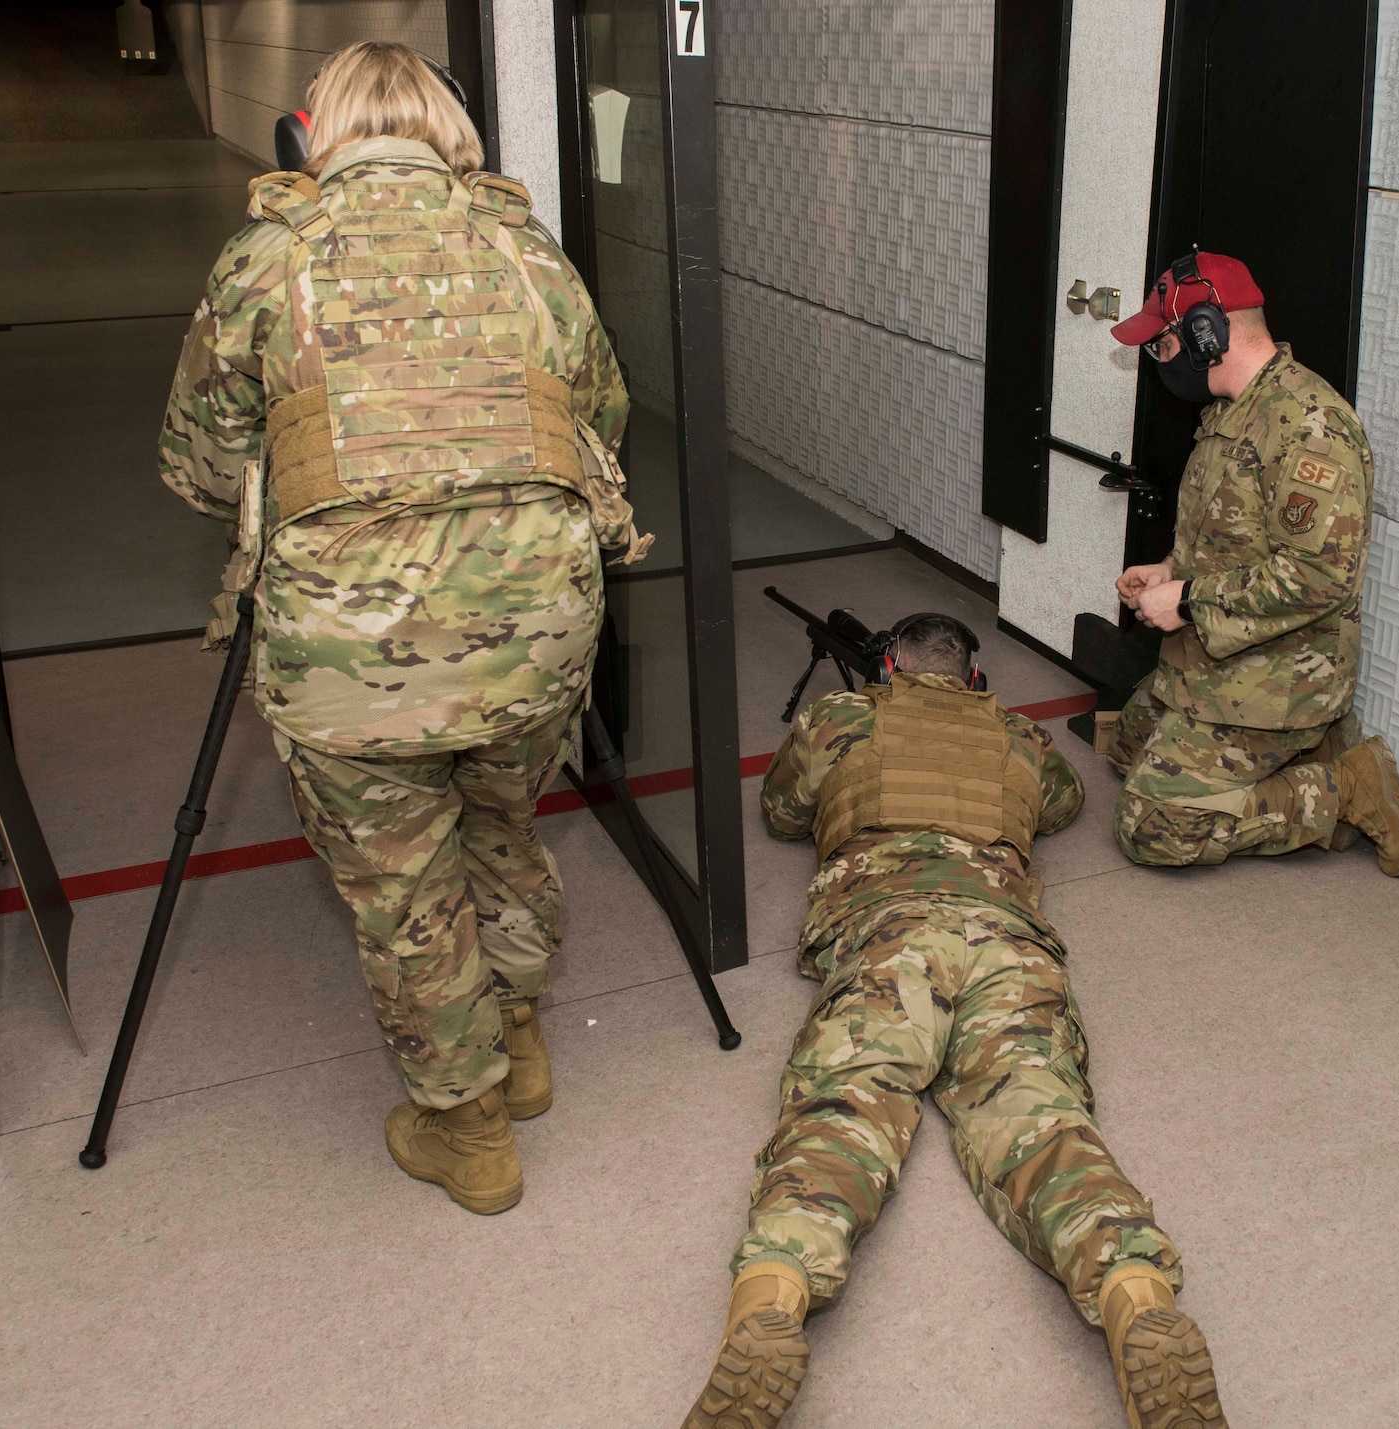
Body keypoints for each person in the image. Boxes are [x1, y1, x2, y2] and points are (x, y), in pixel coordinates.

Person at [158, 42, 636, 1214]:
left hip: (349, 655)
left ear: (305, 133)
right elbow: (603, 417)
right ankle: (519, 1033)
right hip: (537, 627)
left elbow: (199, 462)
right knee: (500, 818)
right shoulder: (528, 251)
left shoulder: (268, 258)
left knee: (399, 885)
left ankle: (466, 1127)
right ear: (453, 127)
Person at [683, 615, 1226, 1429]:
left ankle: (770, 1304)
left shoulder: (840, 719)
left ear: (888, 667)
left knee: (844, 1107)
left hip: (888, 932)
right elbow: (1063, 803)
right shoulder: (1016, 734)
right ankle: (1134, 1299)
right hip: (1006, 939)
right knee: (1042, 1120)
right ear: (973, 679)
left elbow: (782, 812)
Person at [1106, 251, 1399, 876]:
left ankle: (1346, 788)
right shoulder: (1233, 410)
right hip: (1214, 657)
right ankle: (1315, 750)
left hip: (1277, 676)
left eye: (1160, 344)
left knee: (1152, 828)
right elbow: (1231, 538)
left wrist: (1188, 601)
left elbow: (1320, 577)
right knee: (1122, 749)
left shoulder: (1311, 428)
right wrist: (1171, 569)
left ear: (1204, 335)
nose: (1156, 360)